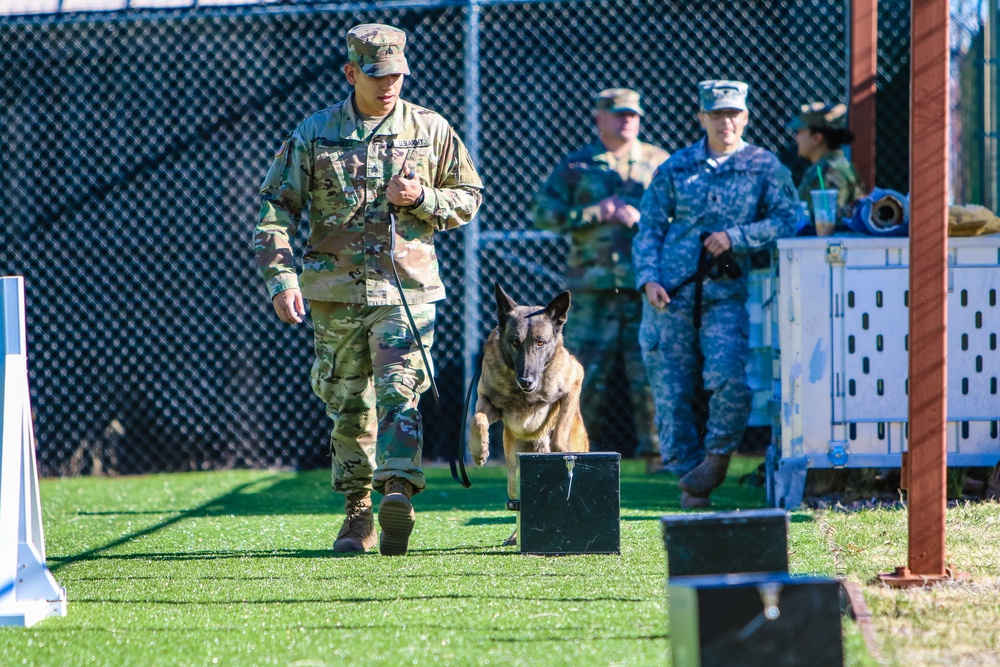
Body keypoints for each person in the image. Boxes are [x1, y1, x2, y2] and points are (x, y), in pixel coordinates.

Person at [253, 24, 483, 555]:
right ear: (351, 72)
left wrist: (423, 197)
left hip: (406, 289)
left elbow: (469, 197)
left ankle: (397, 489)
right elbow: (274, 210)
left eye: (397, 75)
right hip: (334, 294)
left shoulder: (430, 128)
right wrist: (281, 279)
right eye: (377, 76)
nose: (389, 86)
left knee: (401, 390)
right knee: (349, 405)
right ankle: (357, 513)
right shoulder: (314, 132)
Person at [633, 80, 798, 508]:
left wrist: (737, 236)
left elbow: (787, 218)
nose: (726, 121)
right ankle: (690, 476)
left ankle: (716, 461)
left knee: (729, 381)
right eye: (717, 114)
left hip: (724, 294)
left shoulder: (764, 166)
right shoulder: (677, 166)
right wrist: (648, 278)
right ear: (702, 117)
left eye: (734, 113)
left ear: (745, 116)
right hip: (670, 294)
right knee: (670, 389)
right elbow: (649, 225)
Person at [533, 88, 669, 472]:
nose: (627, 120)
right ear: (599, 119)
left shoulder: (660, 163)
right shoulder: (577, 165)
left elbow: (681, 216)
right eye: (618, 114)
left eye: (633, 115)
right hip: (591, 291)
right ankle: (573, 452)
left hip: (644, 286)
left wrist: (639, 218)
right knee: (582, 377)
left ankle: (660, 456)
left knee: (650, 374)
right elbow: (542, 213)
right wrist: (594, 212)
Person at [791, 102, 865, 234]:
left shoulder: (831, 171)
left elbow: (833, 221)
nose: (797, 138)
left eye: (800, 132)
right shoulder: (823, 167)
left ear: (816, 138)